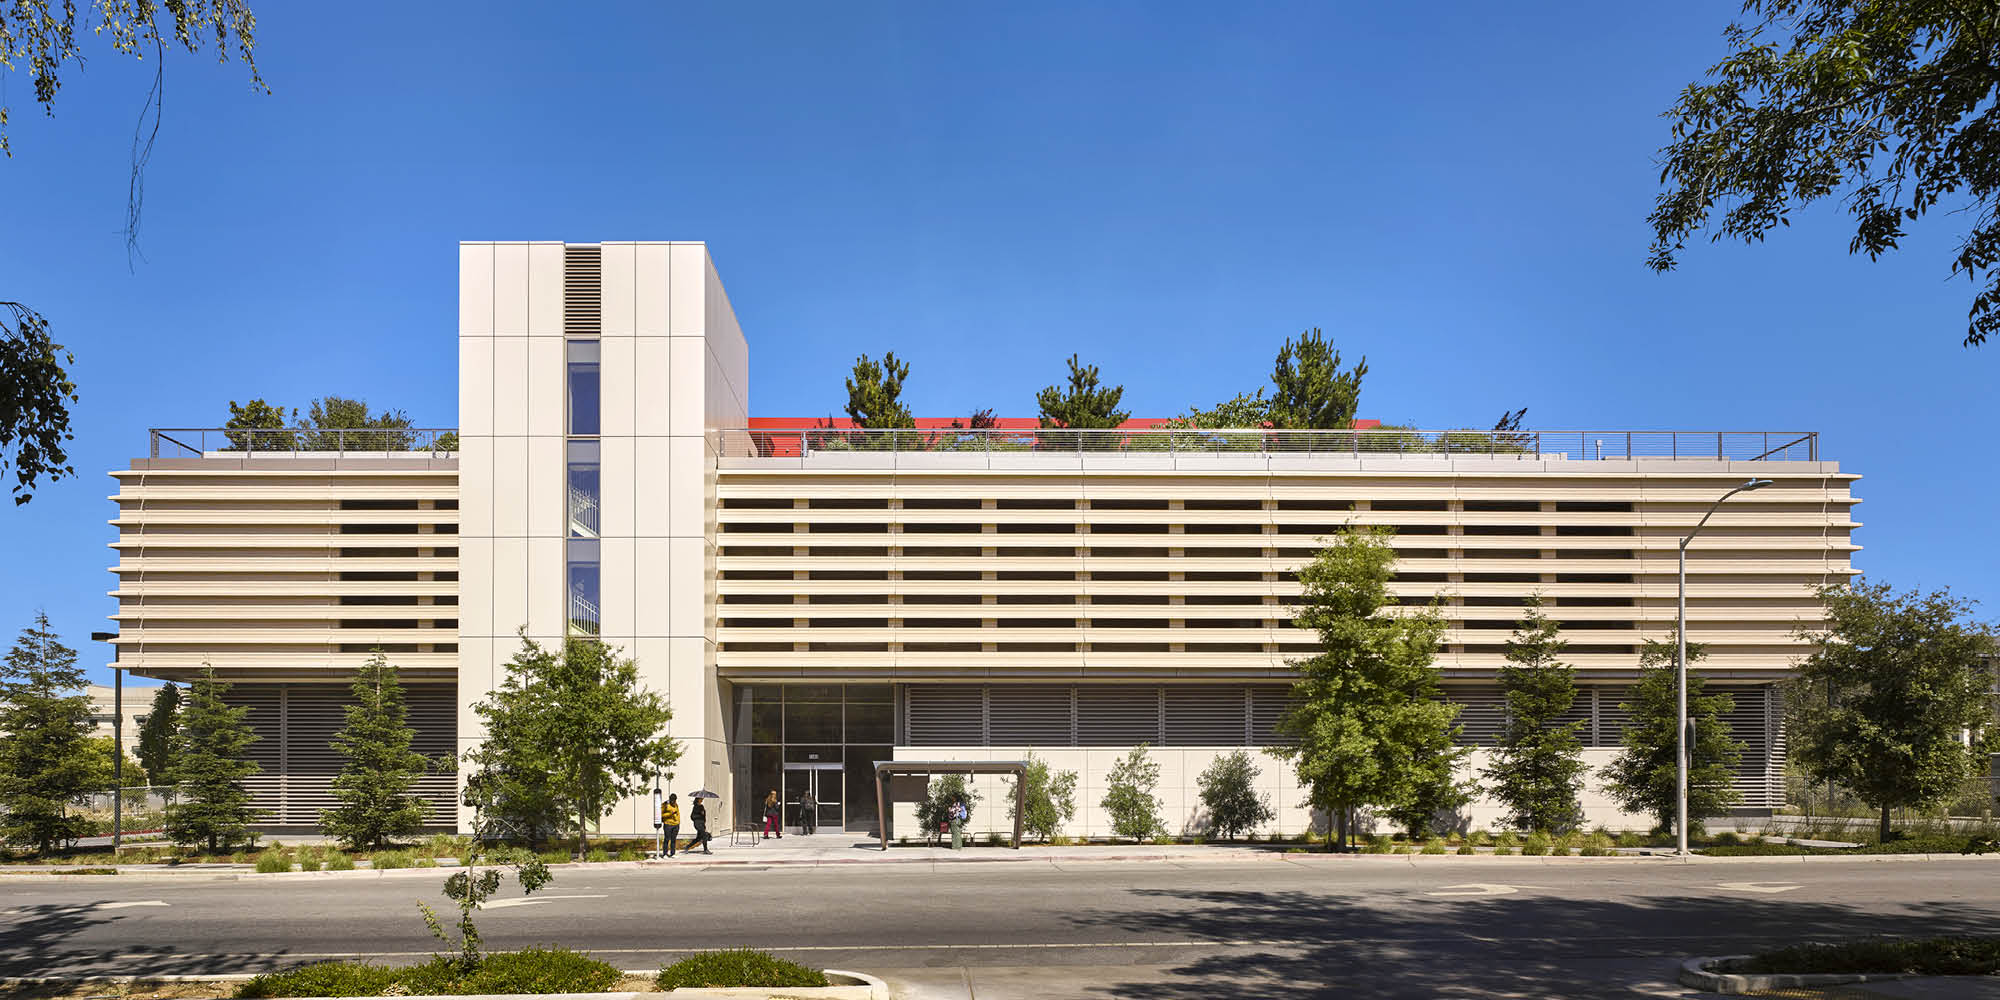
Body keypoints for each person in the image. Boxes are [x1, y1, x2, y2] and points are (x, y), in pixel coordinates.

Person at [660, 793, 682, 858]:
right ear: (670, 799)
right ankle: (665, 854)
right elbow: (661, 815)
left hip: (676, 825)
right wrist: (670, 814)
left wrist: (678, 822)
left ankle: (673, 853)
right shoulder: (665, 805)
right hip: (668, 824)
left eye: (674, 800)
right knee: (667, 839)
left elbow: (678, 814)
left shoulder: (676, 805)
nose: (673, 801)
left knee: (673, 839)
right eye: (672, 800)